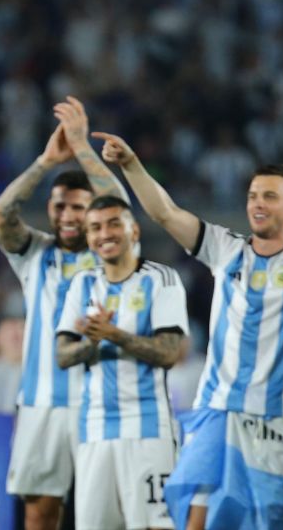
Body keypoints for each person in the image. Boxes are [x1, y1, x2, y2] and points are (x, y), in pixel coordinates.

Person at [93, 131, 283, 529]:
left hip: (278, 417)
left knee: (267, 521)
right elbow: (165, 213)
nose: (257, 203)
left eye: (270, 196)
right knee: (196, 518)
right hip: (217, 408)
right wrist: (131, 164)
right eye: (253, 195)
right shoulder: (227, 248)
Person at [0, 97, 129, 530]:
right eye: (59, 205)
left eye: (77, 206)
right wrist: (46, 161)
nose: (66, 214)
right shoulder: (35, 252)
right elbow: (1, 213)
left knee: (103, 515)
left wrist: (82, 147)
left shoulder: (112, 255)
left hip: (99, 403)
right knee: (40, 513)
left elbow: (119, 203)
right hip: (40, 404)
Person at [56, 196, 186, 530]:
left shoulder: (162, 279)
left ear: (134, 230)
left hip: (149, 427)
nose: (105, 233)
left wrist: (114, 334)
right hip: (94, 429)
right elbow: (62, 355)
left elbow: (169, 353)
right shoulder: (82, 283)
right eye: (95, 227)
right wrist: (93, 342)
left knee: (155, 526)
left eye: (114, 223)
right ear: (88, 237)